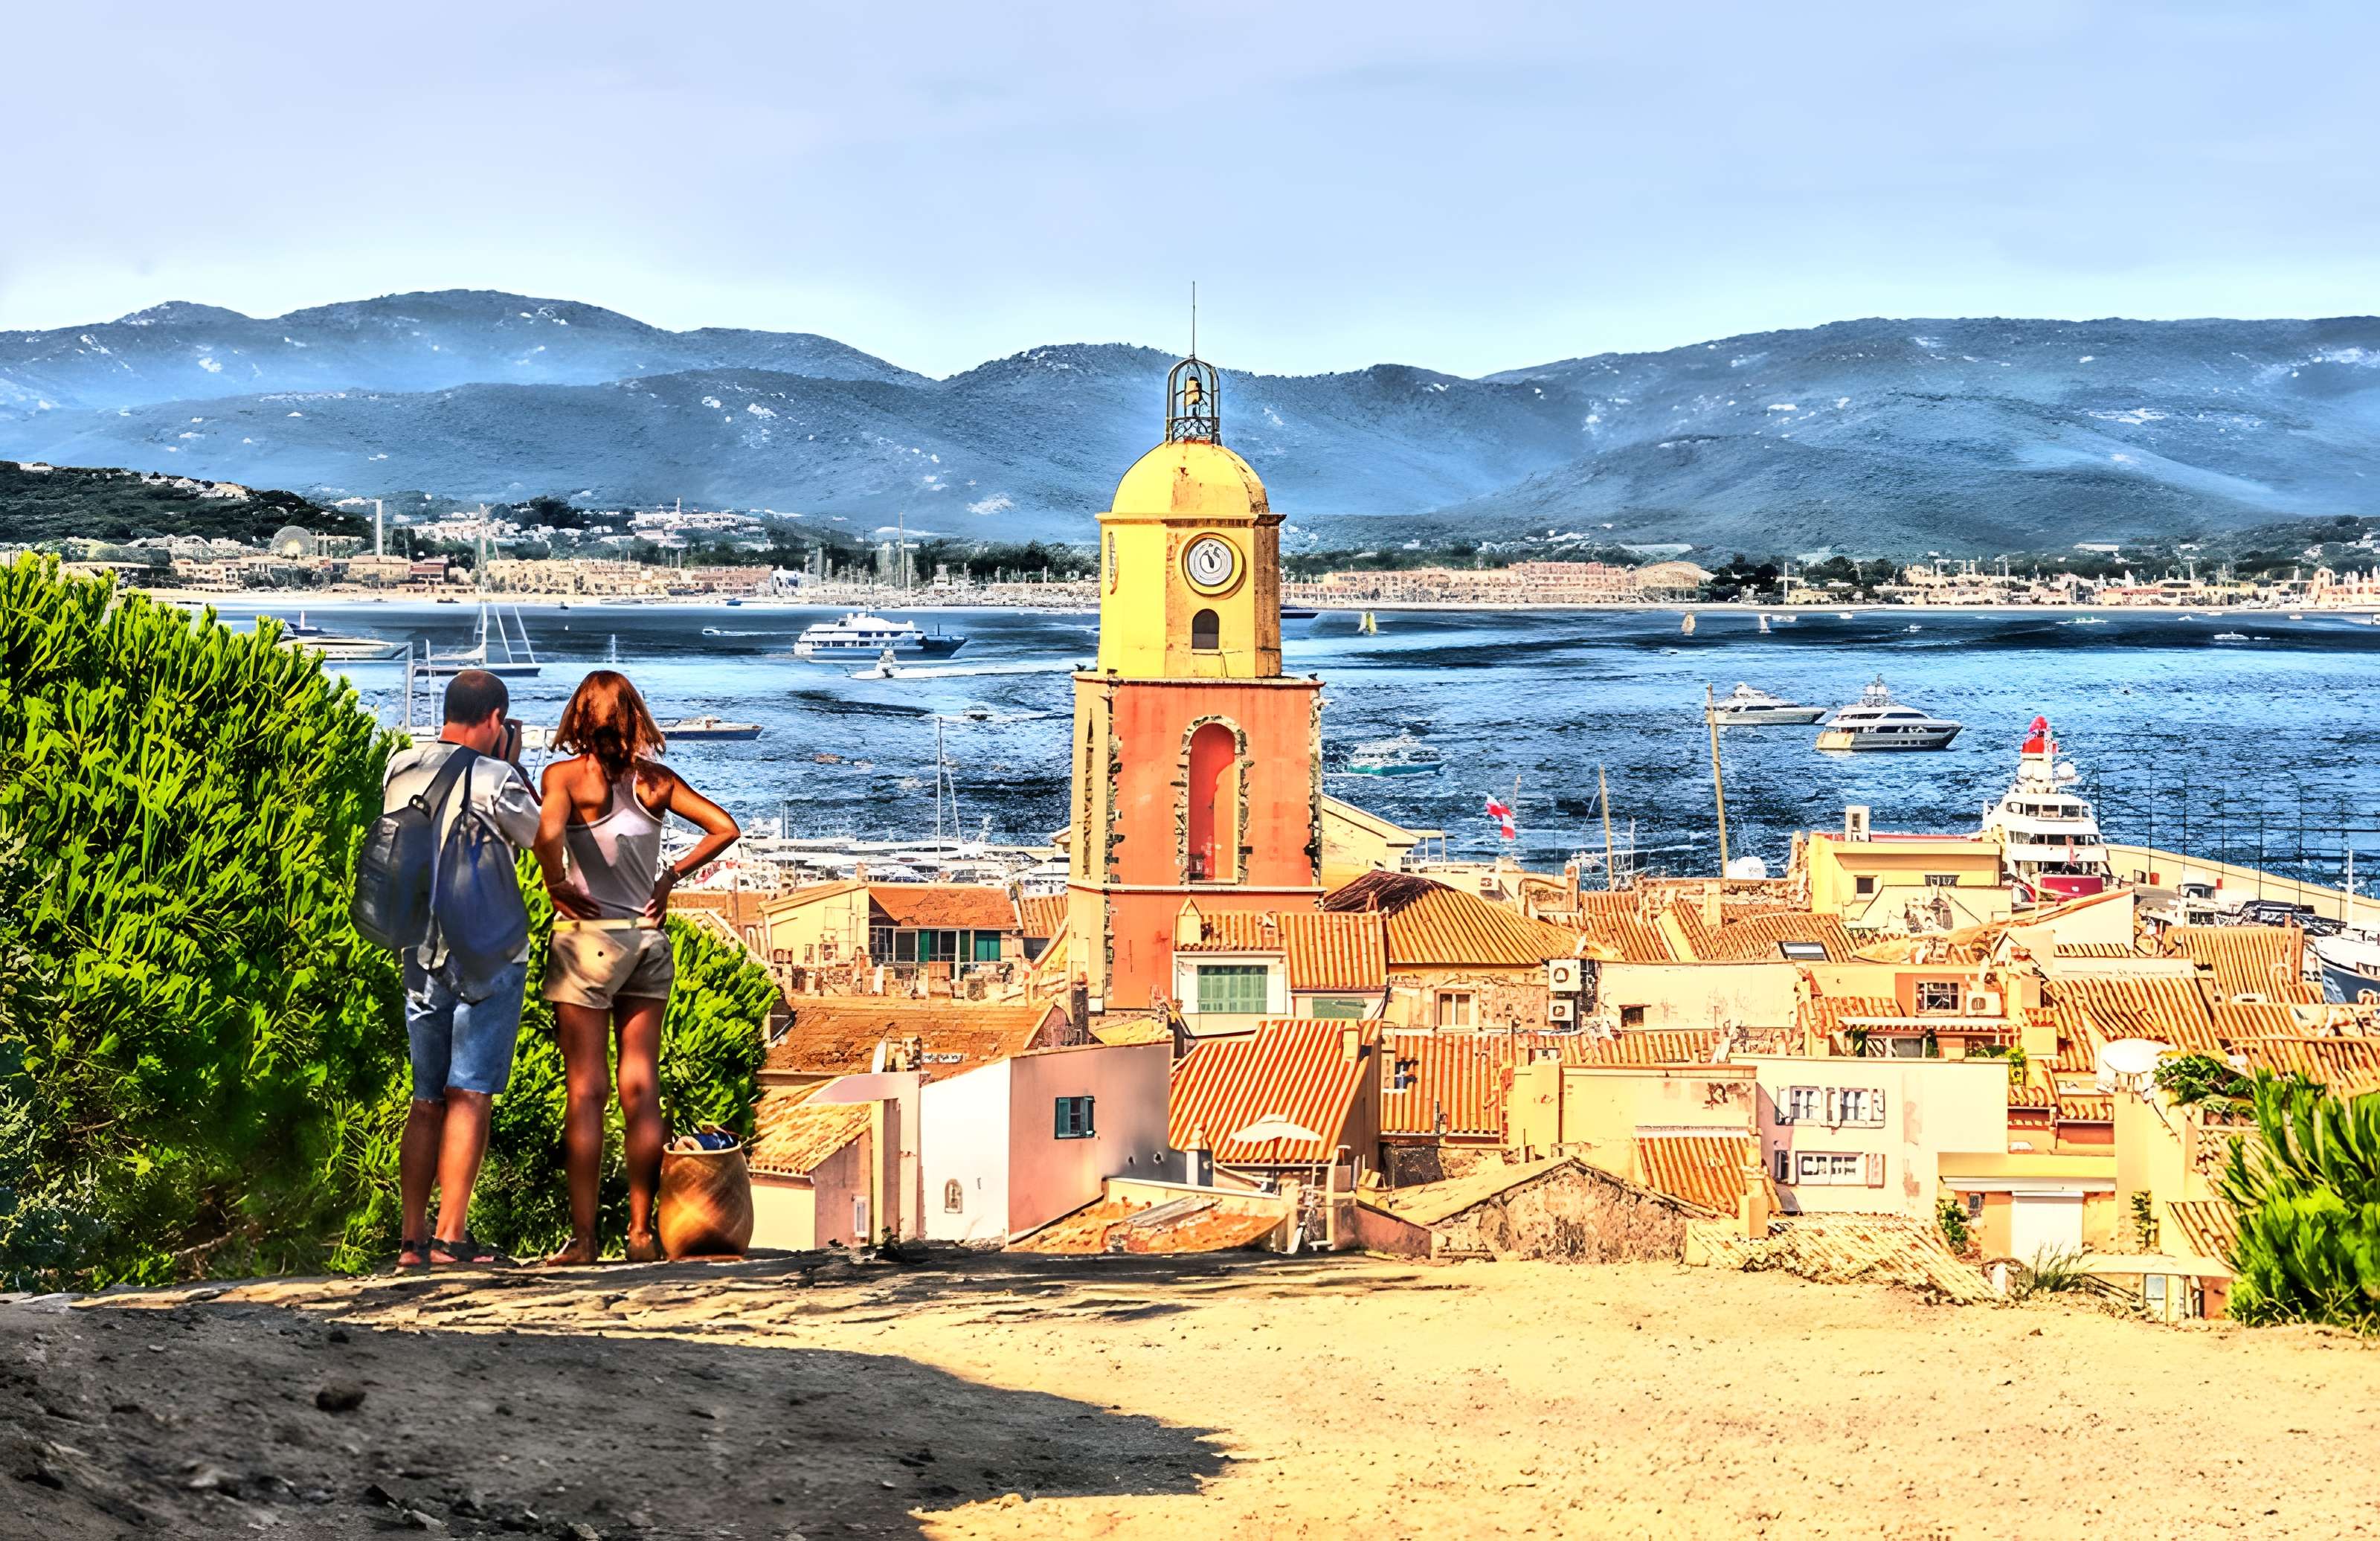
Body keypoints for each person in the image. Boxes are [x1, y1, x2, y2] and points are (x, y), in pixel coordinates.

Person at [534, 670, 741, 1264]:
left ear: (578, 718)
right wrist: (669, 878)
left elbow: (547, 834)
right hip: (647, 942)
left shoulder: (564, 778)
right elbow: (725, 828)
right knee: (641, 1090)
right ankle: (641, 1233)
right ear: (634, 718)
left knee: (586, 1092)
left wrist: (555, 881)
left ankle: (584, 1241)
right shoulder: (657, 783)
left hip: (588, 942)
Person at [383, 668, 543, 1269]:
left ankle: (412, 1241)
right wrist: (513, 765)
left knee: (426, 1098)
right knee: (470, 1093)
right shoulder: (497, 778)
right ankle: (452, 1237)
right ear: (496, 719)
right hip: (487, 950)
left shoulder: (400, 766)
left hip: (418, 948)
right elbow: (540, 835)